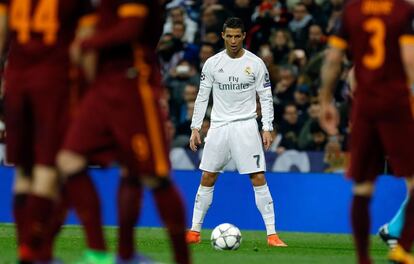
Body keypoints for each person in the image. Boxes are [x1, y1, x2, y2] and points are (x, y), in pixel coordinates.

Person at [57, 0, 191, 263]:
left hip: (132, 85)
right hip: (101, 88)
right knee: (68, 160)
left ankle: (181, 258)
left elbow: (131, 28)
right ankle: (101, 253)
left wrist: (86, 44)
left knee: (152, 176)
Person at [0, 0, 111, 262]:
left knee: (23, 171)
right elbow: (81, 49)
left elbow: (2, 34)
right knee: (49, 169)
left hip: (16, 81)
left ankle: (29, 250)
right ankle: (33, 250)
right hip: (54, 84)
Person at [319, 0, 414, 263]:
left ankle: (365, 256)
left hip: (365, 108)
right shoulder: (402, 11)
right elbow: (409, 59)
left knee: (362, 186)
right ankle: (402, 244)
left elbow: (337, 62)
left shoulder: (352, 11)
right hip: (397, 103)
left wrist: (326, 99)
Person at [186, 17, 287, 247]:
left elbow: (266, 97)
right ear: (223, 36)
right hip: (219, 126)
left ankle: (272, 235)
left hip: (246, 126)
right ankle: (194, 231)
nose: (232, 41)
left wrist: (267, 127)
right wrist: (195, 127)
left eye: (237, 36)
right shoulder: (212, 63)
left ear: (243, 36)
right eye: (228, 36)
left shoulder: (256, 63)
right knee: (207, 176)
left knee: (258, 176)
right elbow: (202, 96)